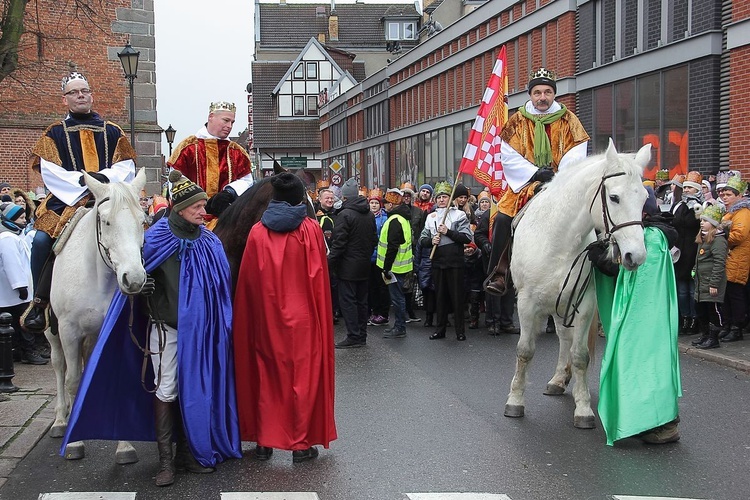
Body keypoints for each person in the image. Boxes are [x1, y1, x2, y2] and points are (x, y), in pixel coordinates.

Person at [61, 170, 242, 486]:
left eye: (203, 206)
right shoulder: (156, 238)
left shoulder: (210, 242)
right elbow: (131, 275)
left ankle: (190, 454)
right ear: (180, 208)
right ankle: (166, 463)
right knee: (167, 389)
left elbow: (220, 289)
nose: (204, 211)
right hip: (166, 331)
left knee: (195, 391)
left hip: (201, 335)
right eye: (197, 206)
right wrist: (140, 292)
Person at [233, 172, 337, 463]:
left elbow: (249, 283)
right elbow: (317, 277)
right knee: (301, 379)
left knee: (265, 375)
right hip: (303, 320)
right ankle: (300, 444)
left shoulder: (257, 232)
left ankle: (265, 440)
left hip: (266, 319)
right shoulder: (310, 230)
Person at [23, 70, 137, 333]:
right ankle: (40, 304)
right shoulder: (54, 133)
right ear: (65, 100)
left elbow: (126, 166)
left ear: (92, 96)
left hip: (108, 198)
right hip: (67, 202)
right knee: (41, 240)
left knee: (135, 231)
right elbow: (51, 172)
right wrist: (84, 182)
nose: (80, 95)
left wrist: (103, 179)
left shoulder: (112, 131)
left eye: (84, 90)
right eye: (74, 92)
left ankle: (141, 292)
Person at [485, 68, 589, 295]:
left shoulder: (570, 120)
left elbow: (577, 151)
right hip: (526, 184)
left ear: (554, 94)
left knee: (591, 217)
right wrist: (534, 173)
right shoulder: (516, 121)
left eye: (548, 92)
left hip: (561, 183)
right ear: (531, 95)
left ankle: (599, 267)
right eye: (538, 92)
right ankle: (499, 274)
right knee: (503, 219)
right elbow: (508, 155)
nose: (542, 97)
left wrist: (558, 176)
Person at [592, 187, 682, 445]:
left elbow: (633, 277)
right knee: (646, 364)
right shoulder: (654, 236)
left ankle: (662, 424)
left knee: (643, 364)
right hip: (651, 320)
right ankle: (652, 421)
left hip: (643, 319)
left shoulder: (651, 238)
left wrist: (602, 262)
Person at [167, 101, 253, 227]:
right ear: (211, 117)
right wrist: (198, 203)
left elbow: (247, 180)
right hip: (190, 220)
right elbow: (175, 182)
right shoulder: (188, 148)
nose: (229, 126)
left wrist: (229, 193)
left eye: (232, 122)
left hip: (226, 218)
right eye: (226, 120)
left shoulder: (237, 152)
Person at [419, 181, 473, 341]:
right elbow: (422, 239)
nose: (442, 200)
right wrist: (431, 241)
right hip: (437, 262)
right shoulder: (431, 217)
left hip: (455, 262)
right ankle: (440, 329)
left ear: (451, 199)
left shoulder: (460, 215)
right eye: (439, 197)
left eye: (445, 197)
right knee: (440, 297)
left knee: (457, 297)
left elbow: (466, 237)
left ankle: (460, 331)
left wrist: (448, 231)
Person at [329, 178, 378, 348]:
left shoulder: (345, 215)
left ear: (345, 197)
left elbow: (339, 243)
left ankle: (353, 336)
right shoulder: (369, 214)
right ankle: (361, 335)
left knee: (348, 302)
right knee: (362, 301)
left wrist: (330, 262)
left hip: (347, 267)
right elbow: (373, 239)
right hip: (364, 265)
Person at [0, 204, 45, 365]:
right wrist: (20, 286)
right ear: (10, 219)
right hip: (13, 294)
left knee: (16, 325)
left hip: (11, 294)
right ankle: (29, 351)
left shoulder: (13, 236)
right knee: (24, 323)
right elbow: (12, 264)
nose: (25, 220)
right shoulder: (7, 238)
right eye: (20, 218)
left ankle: (20, 351)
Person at [717, 176, 750, 343]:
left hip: (736, 258)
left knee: (735, 294)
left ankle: (737, 327)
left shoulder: (743, 213)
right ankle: (728, 325)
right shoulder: (730, 212)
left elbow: (739, 235)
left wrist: (720, 237)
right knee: (727, 295)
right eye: (723, 195)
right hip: (729, 257)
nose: (725, 197)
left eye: (729, 195)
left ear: (739, 196)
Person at [377, 188, 413, 338]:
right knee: (399, 298)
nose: (384, 205)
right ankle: (399, 326)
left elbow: (392, 247)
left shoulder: (395, 220)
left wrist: (386, 268)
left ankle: (399, 327)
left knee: (397, 298)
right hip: (401, 265)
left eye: (386, 203)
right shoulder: (402, 218)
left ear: (391, 205)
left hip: (395, 267)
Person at [691, 204, 728, 349]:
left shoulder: (718, 240)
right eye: (701, 221)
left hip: (711, 283)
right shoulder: (703, 239)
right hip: (701, 283)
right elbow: (699, 260)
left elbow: (719, 263)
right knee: (701, 310)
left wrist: (714, 284)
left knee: (713, 311)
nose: (701, 223)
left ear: (712, 224)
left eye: (705, 221)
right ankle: (705, 335)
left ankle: (714, 338)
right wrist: (694, 270)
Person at [671, 171, 703, 335]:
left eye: (690, 187)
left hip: (693, 251)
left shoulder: (702, 206)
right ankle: (685, 318)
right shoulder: (679, 205)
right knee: (681, 290)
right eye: (685, 187)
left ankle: (695, 319)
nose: (687, 190)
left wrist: (698, 212)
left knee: (692, 290)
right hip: (679, 253)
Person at [367, 188, 390, 327]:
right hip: (369, 256)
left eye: (376, 203)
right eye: (372, 203)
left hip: (380, 256)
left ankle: (383, 312)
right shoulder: (366, 216)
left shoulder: (384, 218)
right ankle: (374, 311)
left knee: (382, 286)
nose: (374, 205)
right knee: (371, 287)